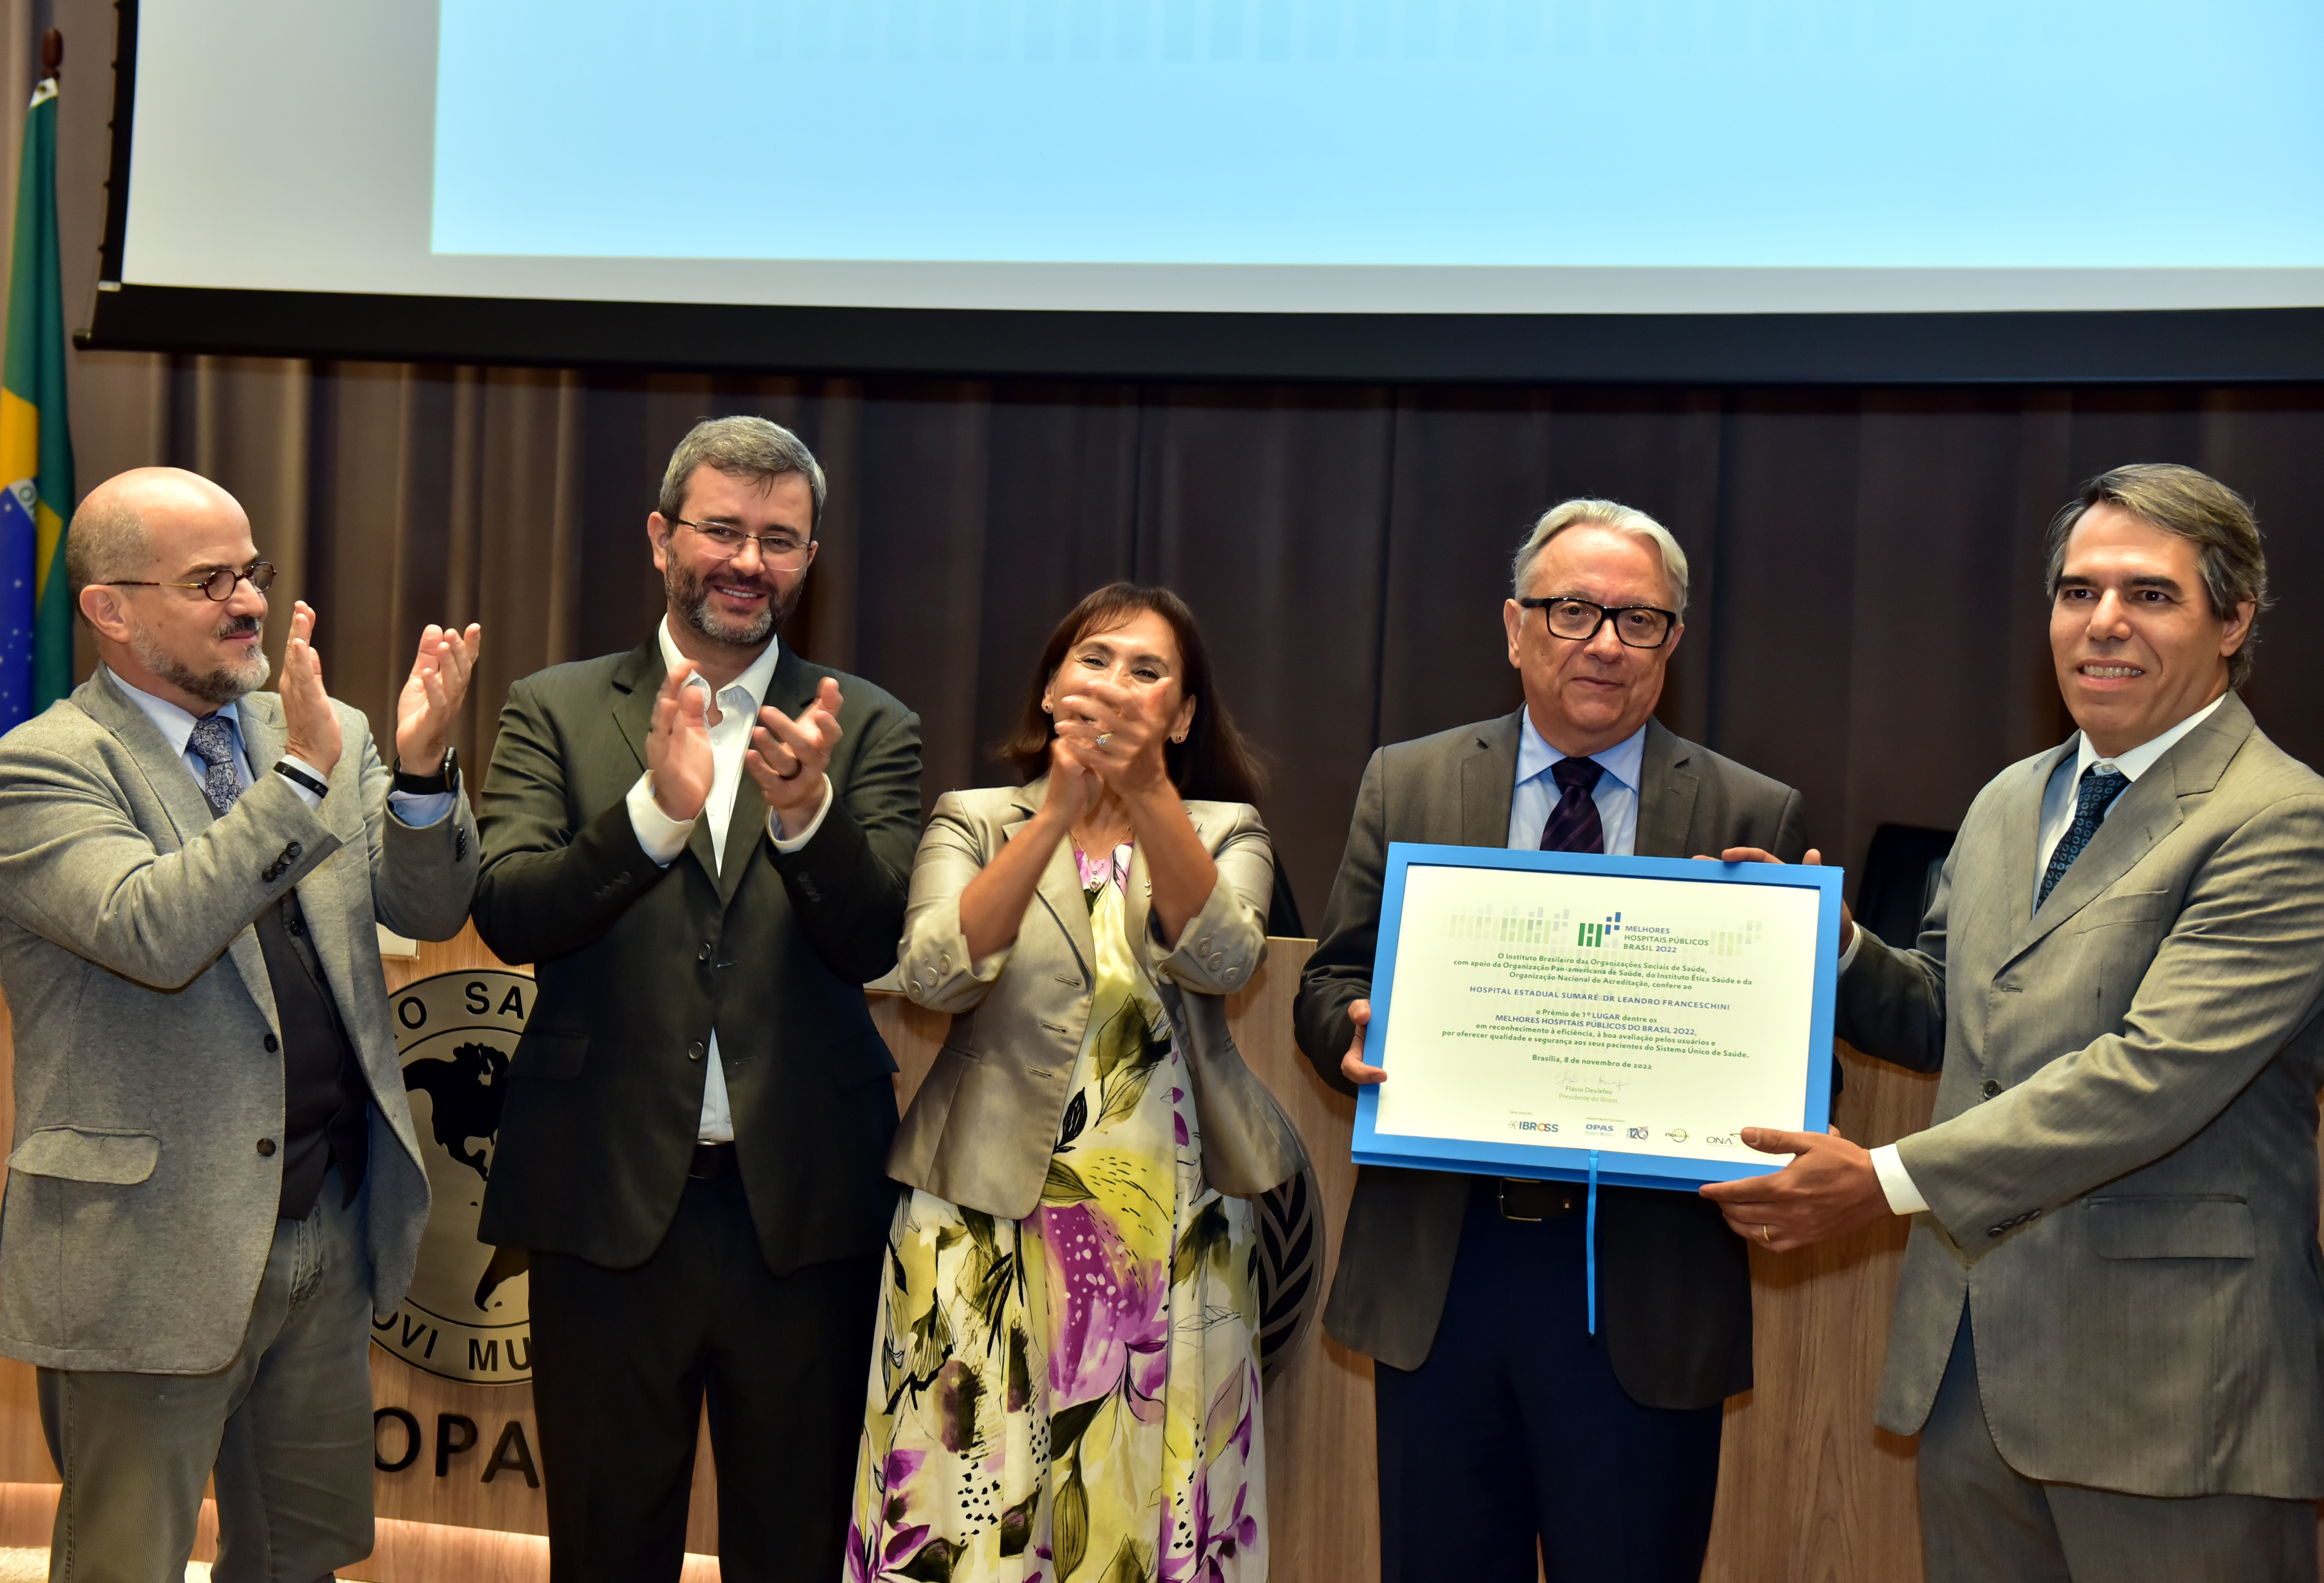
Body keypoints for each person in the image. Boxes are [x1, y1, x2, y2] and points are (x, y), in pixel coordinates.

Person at [1701, 464, 2324, 1583]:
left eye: (2151, 594)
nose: (2105, 624)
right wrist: (1832, 948)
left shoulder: (2284, 822)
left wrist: (1882, 1178)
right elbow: (1960, 1016)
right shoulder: (2007, 800)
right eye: (2079, 592)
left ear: (2234, 621)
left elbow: (2152, 1076)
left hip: (2177, 1399)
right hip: (1972, 1376)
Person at [0, 466, 481, 1582]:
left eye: (253, 572)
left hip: (324, 1224)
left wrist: (426, 769)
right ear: (112, 606)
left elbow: (428, 905)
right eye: (211, 581)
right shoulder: (41, 767)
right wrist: (297, 777)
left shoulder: (323, 731)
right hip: (149, 1237)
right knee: (125, 1562)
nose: (247, 601)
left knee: (302, 1554)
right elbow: (154, 929)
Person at [1295, 499, 1809, 1583]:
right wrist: (1344, 1036)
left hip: (1638, 1285)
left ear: (1673, 643)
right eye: (1574, 611)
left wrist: (1769, 1074)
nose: (1606, 643)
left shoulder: (1747, 809)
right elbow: (1332, 975)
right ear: (1516, 628)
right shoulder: (1413, 780)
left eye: (1640, 620)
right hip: (1448, 1269)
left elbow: (1804, 1054)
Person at [473, 416, 923, 1581]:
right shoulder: (555, 706)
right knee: (607, 1546)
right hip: (605, 1203)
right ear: (660, 536)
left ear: (809, 558)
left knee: (794, 1546)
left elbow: (877, 938)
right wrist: (651, 818)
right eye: (722, 529)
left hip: (804, 1214)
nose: (747, 561)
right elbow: (512, 910)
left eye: (780, 539)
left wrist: (805, 819)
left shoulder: (864, 723)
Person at [850, 583, 1307, 1583]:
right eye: (1094, 660)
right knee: (970, 1507)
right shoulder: (974, 816)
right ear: (1054, 687)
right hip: (981, 1217)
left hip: (1171, 1227)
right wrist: (1054, 815)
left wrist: (1145, 795)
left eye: (1149, 671)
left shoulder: (1226, 827)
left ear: (1183, 715)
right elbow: (931, 974)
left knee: (1143, 1497)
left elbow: (1225, 961)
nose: (1117, 683)